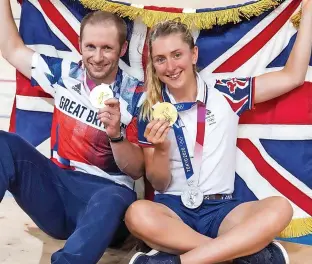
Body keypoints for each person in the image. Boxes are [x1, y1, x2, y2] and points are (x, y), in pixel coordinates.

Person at [125, 0, 312, 263]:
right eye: (161, 59)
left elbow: (292, 77)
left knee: (280, 208)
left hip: (222, 210)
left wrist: (309, 14)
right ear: (154, 65)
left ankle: (181, 260)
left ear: (194, 55)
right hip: (174, 211)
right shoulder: (150, 109)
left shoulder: (226, 91)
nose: (170, 66)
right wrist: (160, 149)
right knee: (136, 213)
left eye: (177, 54)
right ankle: (237, 255)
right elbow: (159, 184)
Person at [0, 1, 145, 263]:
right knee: (2, 143)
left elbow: (137, 171)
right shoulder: (65, 74)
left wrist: (115, 135)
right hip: (57, 190)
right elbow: (11, 49)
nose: (98, 57)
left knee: (115, 196)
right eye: (90, 47)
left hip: (106, 199)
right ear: (80, 45)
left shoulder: (137, 96)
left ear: (122, 49)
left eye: (107, 48)